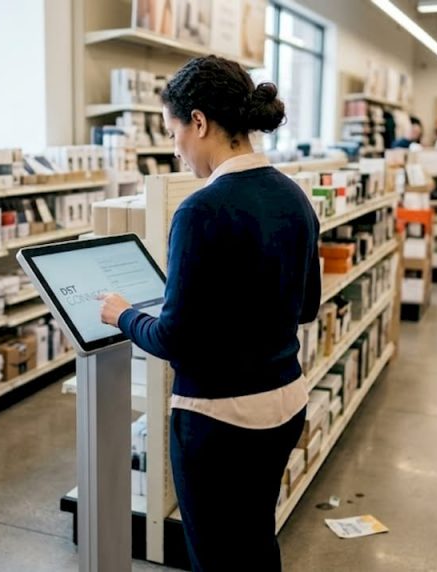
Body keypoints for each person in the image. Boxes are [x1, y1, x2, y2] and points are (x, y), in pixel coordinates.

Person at [98, 55, 318, 572]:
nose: (175, 149)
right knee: (256, 544)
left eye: (174, 131)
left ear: (198, 122)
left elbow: (175, 340)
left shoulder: (200, 209)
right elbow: (305, 306)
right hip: (286, 404)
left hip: (220, 423)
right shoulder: (294, 195)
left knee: (217, 557)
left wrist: (124, 315)